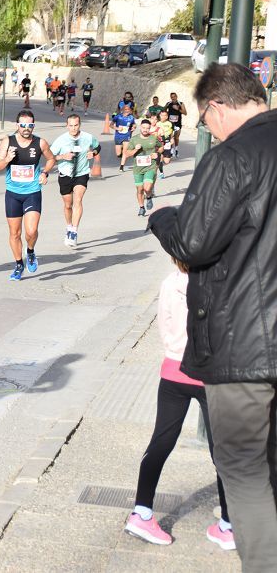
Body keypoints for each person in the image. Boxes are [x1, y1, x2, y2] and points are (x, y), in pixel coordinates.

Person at [149, 63, 277, 571]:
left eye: (205, 120)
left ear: (219, 106)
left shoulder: (232, 157)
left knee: (244, 471)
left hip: (242, 343)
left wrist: (163, 219)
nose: (207, 128)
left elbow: (192, 243)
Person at [124, 260, 233, 551]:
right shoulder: (218, 283)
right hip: (210, 376)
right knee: (222, 450)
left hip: (173, 371)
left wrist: (174, 349)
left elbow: (164, 325)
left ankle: (141, 512)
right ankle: (229, 525)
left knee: (160, 442)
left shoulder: (169, 283)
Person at [0, 110, 56, 281]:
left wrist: (45, 172)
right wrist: (7, 159)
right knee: (14, 233)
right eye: (23, 125)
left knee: (31, 231)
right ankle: (19, 265)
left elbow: (51, 159)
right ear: (17, 126)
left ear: (33, 126)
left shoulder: (40, 143)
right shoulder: (8, 141)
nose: (26, 128)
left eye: (29, 125)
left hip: (32, 192)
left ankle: (30, 251)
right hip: (13, 194)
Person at [49, 114, 100, 247]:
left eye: (76, 125)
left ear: (80, 125)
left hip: (82, 173)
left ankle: (74, 231)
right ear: (67, 126)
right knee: (68, 205)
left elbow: (97, 146)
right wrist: (63, 156)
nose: (73, 128)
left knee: (78, 200)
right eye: (70, 125)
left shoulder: (88, 137)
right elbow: (50, 157)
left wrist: (93, 153)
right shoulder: (61, 140)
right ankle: (69, 226)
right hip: (65, 174)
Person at [125, 118, 160, 216]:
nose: (145, 130)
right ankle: (141, 207)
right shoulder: (134, 139)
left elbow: (160, 147)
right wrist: (135, 150)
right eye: (144, 128)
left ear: (150, 128)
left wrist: (157, 153)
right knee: (139, 189)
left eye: (148, 128)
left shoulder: (153, 138)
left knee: (147, 188)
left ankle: (148, 197)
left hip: (150, 166)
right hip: (138, 168)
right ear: (140, 127)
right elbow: (127, 154)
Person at [110, 104, 137, 171]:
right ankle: (122, 153)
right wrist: (117, 128)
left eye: (128, 109)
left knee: (125, 151)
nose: (127, 111)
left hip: (127, 135)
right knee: (118, 154)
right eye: (125, 109)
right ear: (122, 110)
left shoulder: (131, 117)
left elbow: (134, 124)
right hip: (118, 136)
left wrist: (134, 127)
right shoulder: (118, 117)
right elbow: (111, 125)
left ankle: (121, 166)